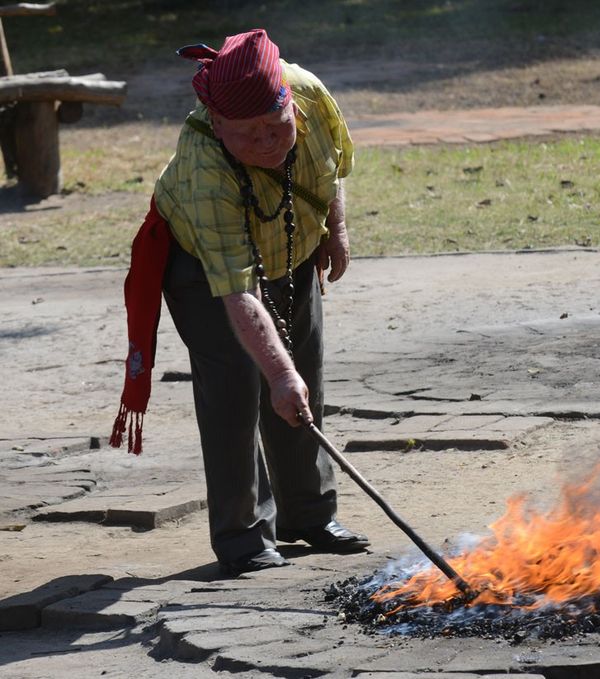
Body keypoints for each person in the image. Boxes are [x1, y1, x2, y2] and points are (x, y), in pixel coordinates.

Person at [110, 28, 368, 576]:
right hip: (208, 271)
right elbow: (238, 290)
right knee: (239, 387)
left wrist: (335, 229)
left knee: (305, 376)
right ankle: (244, 538)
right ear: (217, 122)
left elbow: (332, 165)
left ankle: (310, 516)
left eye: (277, 128)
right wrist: (276, 373)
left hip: (291, 244)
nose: (268, 144)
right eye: (247, 137)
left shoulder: (308, 95)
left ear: (288, 103)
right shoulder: (206, 167)